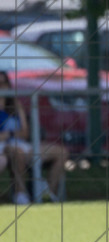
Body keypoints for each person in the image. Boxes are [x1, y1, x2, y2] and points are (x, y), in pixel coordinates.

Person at [0, 71, 67, 204]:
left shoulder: (15, 105)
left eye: (3, 83)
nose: (1, 87)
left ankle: (48, 194)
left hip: (21, 144)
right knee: (16, 152)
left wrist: (10, 134)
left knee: (61, 152)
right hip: (4, 148)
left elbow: (25, 133)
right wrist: (10, 134)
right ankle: (20, 194)